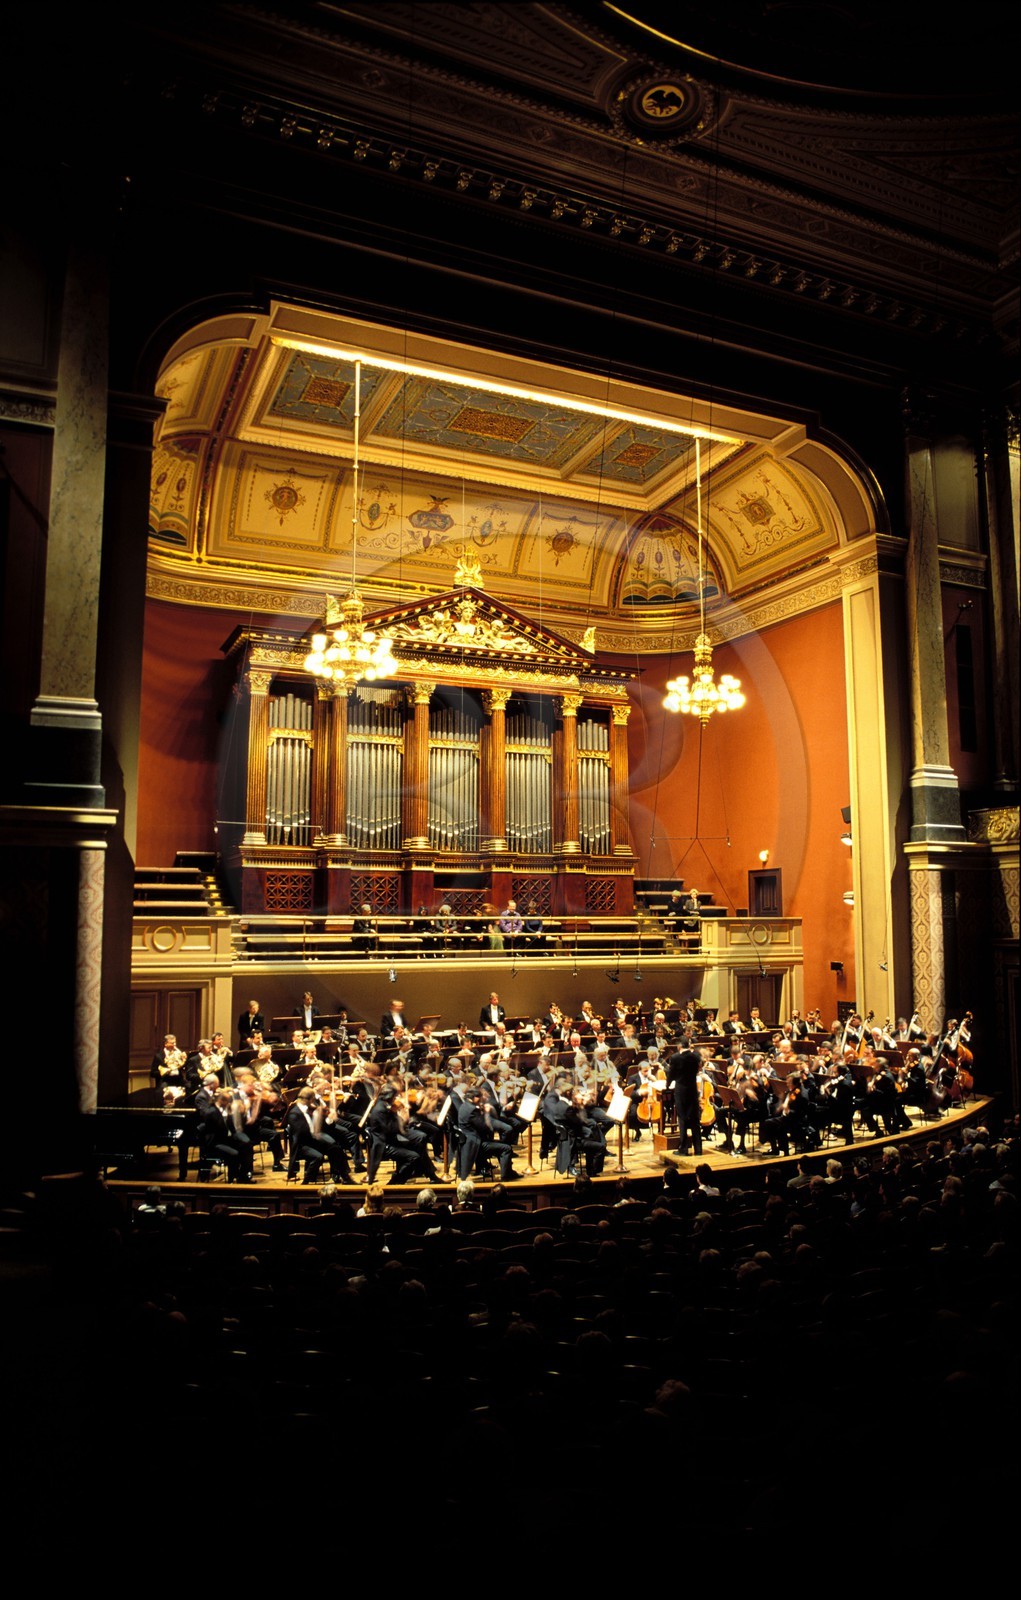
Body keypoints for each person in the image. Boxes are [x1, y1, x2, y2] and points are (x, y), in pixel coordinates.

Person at [669, 1041, 703, 1156]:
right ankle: (698, 1149)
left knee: (682, 1119)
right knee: (695, 1120)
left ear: (679, 1046)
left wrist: (667, 1084)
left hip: (681, 1091)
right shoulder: (696, 1056)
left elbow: (671, 1074)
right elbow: (697, 1070)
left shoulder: (675, 1057)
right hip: (693, 1090)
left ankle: (683, 1148)